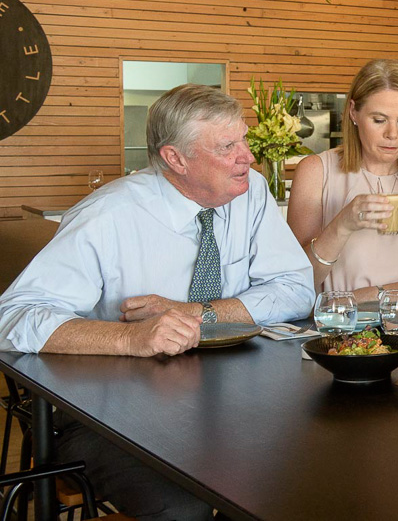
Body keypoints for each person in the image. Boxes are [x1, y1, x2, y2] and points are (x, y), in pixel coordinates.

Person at [0, 83, 315, 520]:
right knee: (184, 505)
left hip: (230, 396)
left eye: (243, 139)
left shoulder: (252, 192)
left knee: (305, 471)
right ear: (175, 159)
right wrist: (131, 339)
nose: (248, 156)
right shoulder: (108, 216)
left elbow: (296, 288)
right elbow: (13, 317)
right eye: (228, 147)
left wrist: (196, 313)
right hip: (106, 411)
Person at [288, 59, 398, 303]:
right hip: (338, 325)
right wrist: (341, 226)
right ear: (353, 112)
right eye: (379, 120)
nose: (392, 134)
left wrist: (370, 296)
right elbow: (295, 283)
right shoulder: (315, 172)